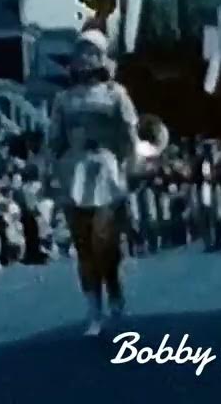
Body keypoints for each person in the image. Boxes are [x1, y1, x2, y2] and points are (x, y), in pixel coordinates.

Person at [46, 30, 142, 337]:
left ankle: (113, 286)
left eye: (92, 52)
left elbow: (130, 137)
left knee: (104, 242)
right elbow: (54, 141)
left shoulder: (116, 94)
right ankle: (94, 310)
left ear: (102, 57)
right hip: (74, 172)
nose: (86, 58)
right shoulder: (64, 99)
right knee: (84, 246)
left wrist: (132, 168)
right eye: (81, 52)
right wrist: (52, 174)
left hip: (106, 171)